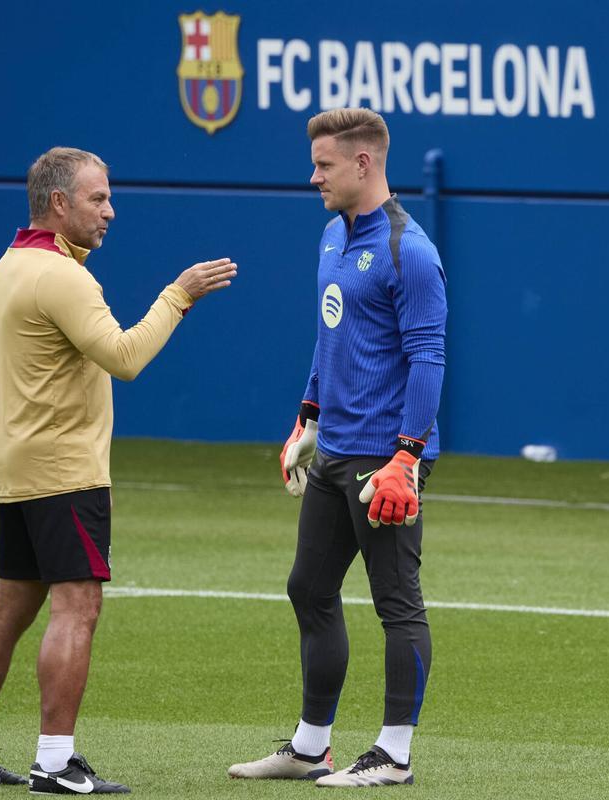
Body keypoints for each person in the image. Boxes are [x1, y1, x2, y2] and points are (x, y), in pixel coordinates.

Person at [0, 146, 236, 795]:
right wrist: (179, 294)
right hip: (65, 471)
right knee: (79, 607)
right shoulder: (62, 278)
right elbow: (124, 356)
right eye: (98, 198)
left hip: (18, 468)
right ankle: (55, 762)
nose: (111, 211)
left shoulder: (10, 265)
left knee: (9, 611)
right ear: (59, 204)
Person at [228, 108, 446, 788]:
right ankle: (311, 746)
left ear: (363, 164)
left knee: (396, 603)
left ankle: (393, 754)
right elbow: (334, 338)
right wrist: (307, 420)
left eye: (323, 165)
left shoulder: (410, 251)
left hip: (384, 460)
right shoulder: (331, 235)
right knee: (309, 588)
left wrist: (406, 460)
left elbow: (429, 359)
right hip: (336, 451)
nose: (312, 175)